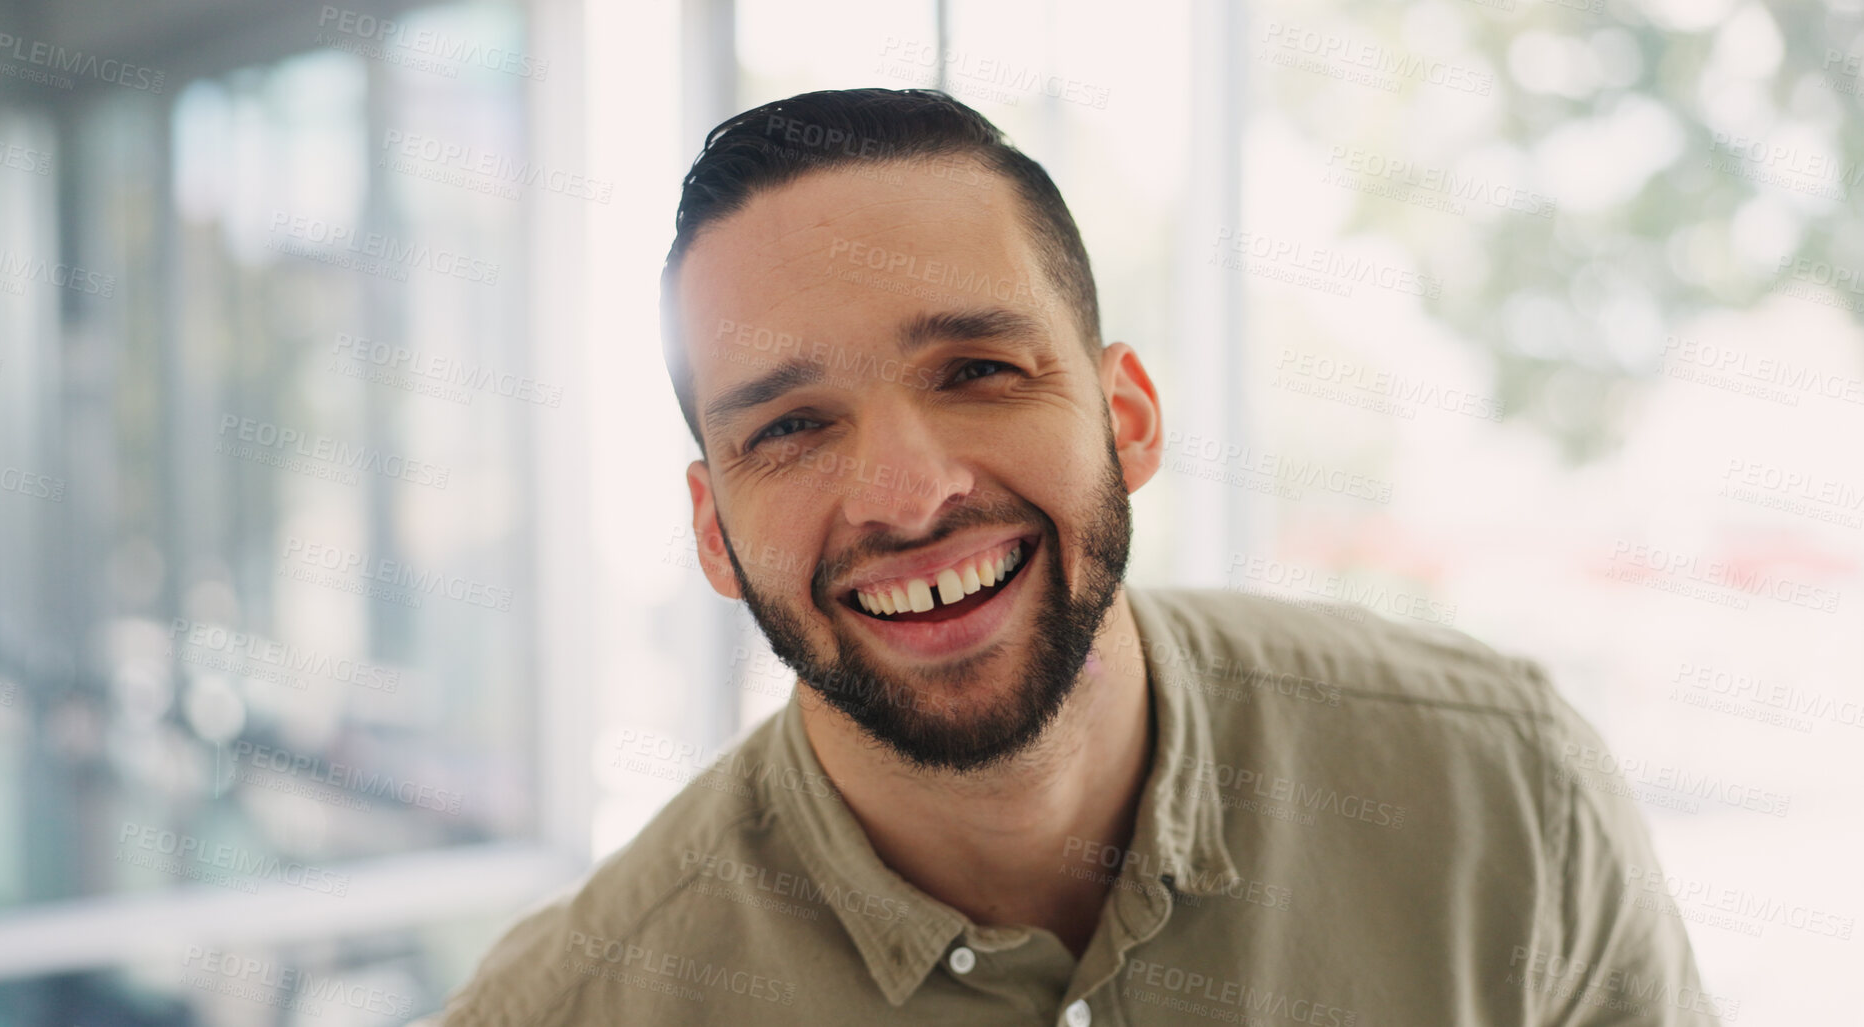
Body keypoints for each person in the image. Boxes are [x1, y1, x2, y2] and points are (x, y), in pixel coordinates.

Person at [427, 88, 1722, 1026]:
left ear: (1128, 418)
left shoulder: (1505, 790)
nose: (909, 494)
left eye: (979, 370)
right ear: (715, 532)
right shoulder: (570, 1011)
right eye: (794, 427)